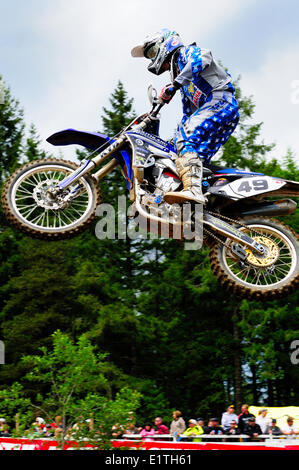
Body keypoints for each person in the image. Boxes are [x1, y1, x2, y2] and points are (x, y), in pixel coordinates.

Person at [131, 28, 239, 206]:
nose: (152, 59)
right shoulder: (184, 82)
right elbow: (189, 116)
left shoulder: (185, 54)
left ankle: (194, 191)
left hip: (221, 99)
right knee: (189, 156)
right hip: (224, 113)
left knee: (184, 136)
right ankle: (207, 199)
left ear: (165, 44)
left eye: (152, 52)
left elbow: (203, 57)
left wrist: (174, 84)